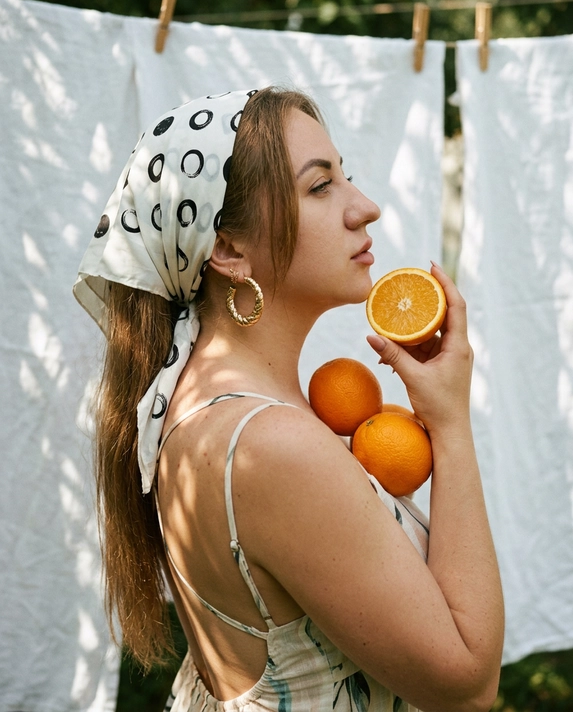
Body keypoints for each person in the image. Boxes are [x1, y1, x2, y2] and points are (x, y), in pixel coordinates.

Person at [74, 86, 504, 712]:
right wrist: (452, 426)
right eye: (320, 187)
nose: (368, 208)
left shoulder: (206, 409)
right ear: (226, 249)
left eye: (345, 177)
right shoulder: (268, 444)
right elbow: (467, 686)